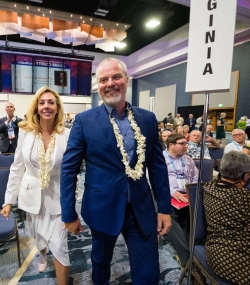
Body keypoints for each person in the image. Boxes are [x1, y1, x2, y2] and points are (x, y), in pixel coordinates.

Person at [60, 58, 172, 284]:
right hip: (102, 208)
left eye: (116, 77)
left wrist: (164, 208)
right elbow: (69, 170)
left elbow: (157, 166)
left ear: (127, 81)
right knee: (100, 264)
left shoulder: (147, 119)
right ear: (98, 86)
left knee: (149, 274)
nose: (110, 83)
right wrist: (69, 214)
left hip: (140, 209)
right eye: (103, 80)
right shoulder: (84, 121)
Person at [0, 86, 70, 284]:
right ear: (36, 107)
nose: (46, 106)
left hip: (58, 196)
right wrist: (8, 200)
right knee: (38, 236)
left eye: (51, 102)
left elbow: (71, 170)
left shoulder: (67, 134)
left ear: (57, 108)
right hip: (31, 194)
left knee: (59, 245)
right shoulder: (25, 131)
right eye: (42, 102)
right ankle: (41, 253)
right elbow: (17, 167)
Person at [204, 151, 250, 285]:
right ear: (246, 176)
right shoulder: (246, 198)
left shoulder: (209, 187)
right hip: (241, 260)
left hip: (215, 251)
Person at [163, 134, 200, 276]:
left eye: (187, 143)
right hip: (167, 194)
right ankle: (187, 259)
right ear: (171, 144)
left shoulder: (188, 159)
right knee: (169, 214)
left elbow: (196, 177)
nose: (186, 146)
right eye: (182, 143)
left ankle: (194, 248)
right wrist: (173, 192)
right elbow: (152, 181)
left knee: (198, 211)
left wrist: (192, 192)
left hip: (187, 194)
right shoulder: (160, 159)